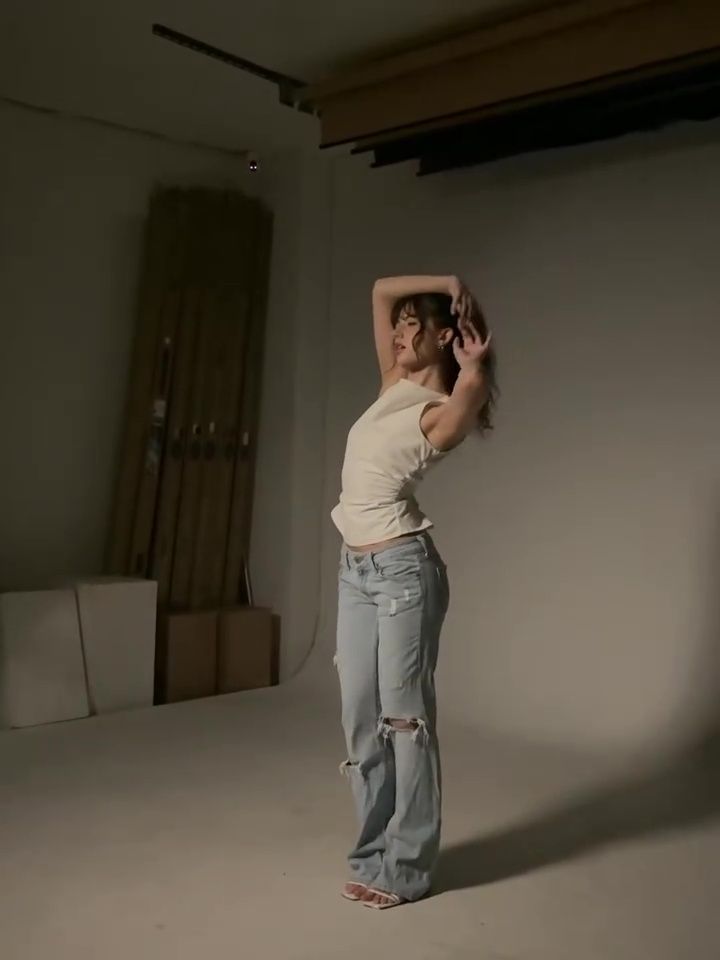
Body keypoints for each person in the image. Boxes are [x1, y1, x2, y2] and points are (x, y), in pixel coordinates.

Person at [332, 274, 498, 909]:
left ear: (444, 337)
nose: (399, 333)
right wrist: (447, 283)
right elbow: (379, 290)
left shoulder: (436, 412)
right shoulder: (391, 385)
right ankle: (370, 854)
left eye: (412, 325)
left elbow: (469, 398)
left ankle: (406, 869)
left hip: (403, 574)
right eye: (398, 326)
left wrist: (473, 366)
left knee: (406, 721)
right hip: (354, 573)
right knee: (360, 720)